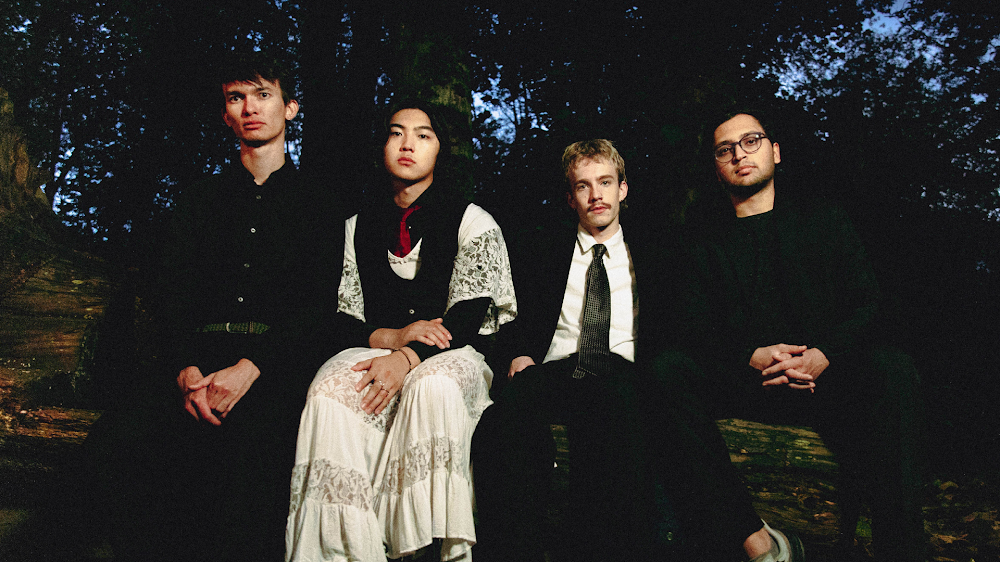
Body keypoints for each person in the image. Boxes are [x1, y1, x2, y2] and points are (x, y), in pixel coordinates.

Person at [473, 139, 803, 562]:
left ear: (622, 189)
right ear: (569, 197)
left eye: (606, 183)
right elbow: (512, 317)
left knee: (618, 405)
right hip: (555, 369)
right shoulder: (542, 251)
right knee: (504, 415)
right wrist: (517, 354)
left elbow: (685, 328)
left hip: (623, 371)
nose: (596, 195)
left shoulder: (656, 252)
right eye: (583, 186)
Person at [667, 111, 923, 560]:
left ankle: (901, 550)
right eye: (726, 149)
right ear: (716, 166)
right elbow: (689, 326)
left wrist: (824, 354)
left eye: (751, 141)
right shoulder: (698, 240)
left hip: (826, 378)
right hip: (746, 382)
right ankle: (756, 540)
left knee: (894, 369)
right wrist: (747, 355)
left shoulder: (824, 219)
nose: (739, 154)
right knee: (665, 371)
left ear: (775, 151)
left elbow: (870, 303)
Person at [118, 52, 339, 562]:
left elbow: (317, 307)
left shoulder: (321, 204)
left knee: (250, 475)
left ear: (291, 108)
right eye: (236, 98)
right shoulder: (198, 201)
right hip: (196, 363)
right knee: (130, 451)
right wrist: (187, 371)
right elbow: (171, 297)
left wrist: (249, 369)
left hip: (273, 367)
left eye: (263, 95)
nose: (249, 108)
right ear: (224, 114)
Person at [284, 100, 516, 562]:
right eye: (396, 132)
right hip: (379, 342)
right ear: (383, 146)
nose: (408, 143)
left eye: (423, 135)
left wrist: (408, 358)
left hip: (457, 353)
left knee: (432, 386)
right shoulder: (354, 226)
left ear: (440, 151)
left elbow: (468, 321)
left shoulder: (473, 220)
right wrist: (393, 339)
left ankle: (426, 548)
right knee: (330, 391)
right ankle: (345, 551)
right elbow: (341, 319)